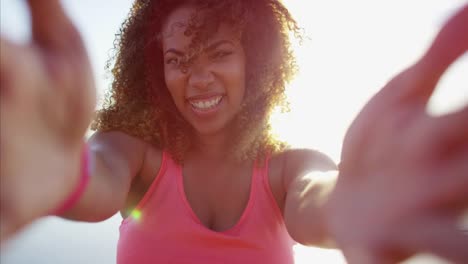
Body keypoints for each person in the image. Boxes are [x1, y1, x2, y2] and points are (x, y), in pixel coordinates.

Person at [1, 0, 467, 263]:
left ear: (256, 63)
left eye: (219, 54)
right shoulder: (136, 158)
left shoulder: (288, 170)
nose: (197, 79)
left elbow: (318, 195)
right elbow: (96, 174)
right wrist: (67, 174)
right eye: (177, 60)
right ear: (153, 73)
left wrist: (346, 201)